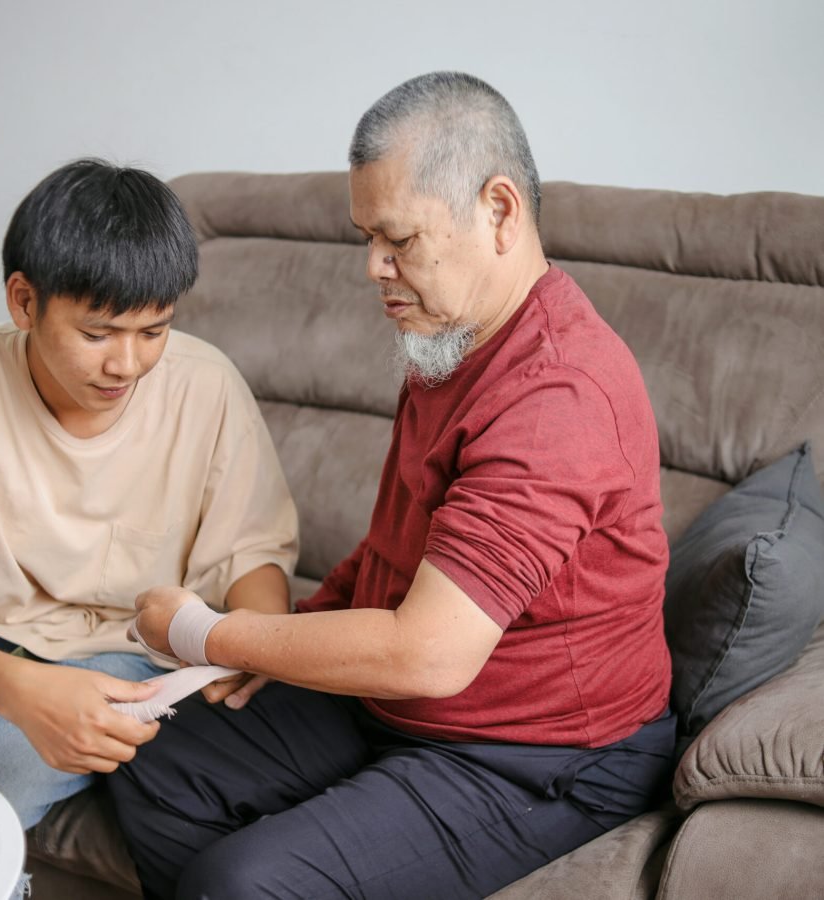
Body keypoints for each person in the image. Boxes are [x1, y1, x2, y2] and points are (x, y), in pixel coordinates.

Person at [109, 72, 675, 900]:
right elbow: (393, 549)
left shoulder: (557, 395)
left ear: (500, 211)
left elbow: (429, 653)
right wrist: (292, 640)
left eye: (398, 239)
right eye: (366, 237)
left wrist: (207, 633)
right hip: (397, 703)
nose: (374, 267)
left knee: (242, 885)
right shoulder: (450, 339)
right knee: (152, 760)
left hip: (538, 755)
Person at [0, 158, 298, 832]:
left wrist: (251, 641)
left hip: (125, 646)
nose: (126, 365)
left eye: (152, 332)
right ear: (23, 301)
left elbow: (252, 550)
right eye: (96, 334)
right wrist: (16, 688)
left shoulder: (204, 384)